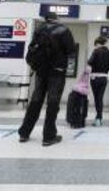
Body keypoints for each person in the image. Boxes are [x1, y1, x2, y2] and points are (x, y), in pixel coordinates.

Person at [18, 12, 76, 146]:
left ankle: (24, 133)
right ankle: (48, 136)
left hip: (40, 71)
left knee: (35, 101)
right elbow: (71, 50)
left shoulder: (39, 29)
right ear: (56, 18)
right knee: (53, 103)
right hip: (57, 71)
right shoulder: (63, 30)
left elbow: (32, 48)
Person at [87, 36, 109, 126]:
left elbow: (89, 62)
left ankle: (98, 118)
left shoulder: (96, 51)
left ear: (98, 43)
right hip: (104, 77)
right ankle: (99, 118)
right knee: (100, 98)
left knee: (96, 98)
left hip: (94, 77)